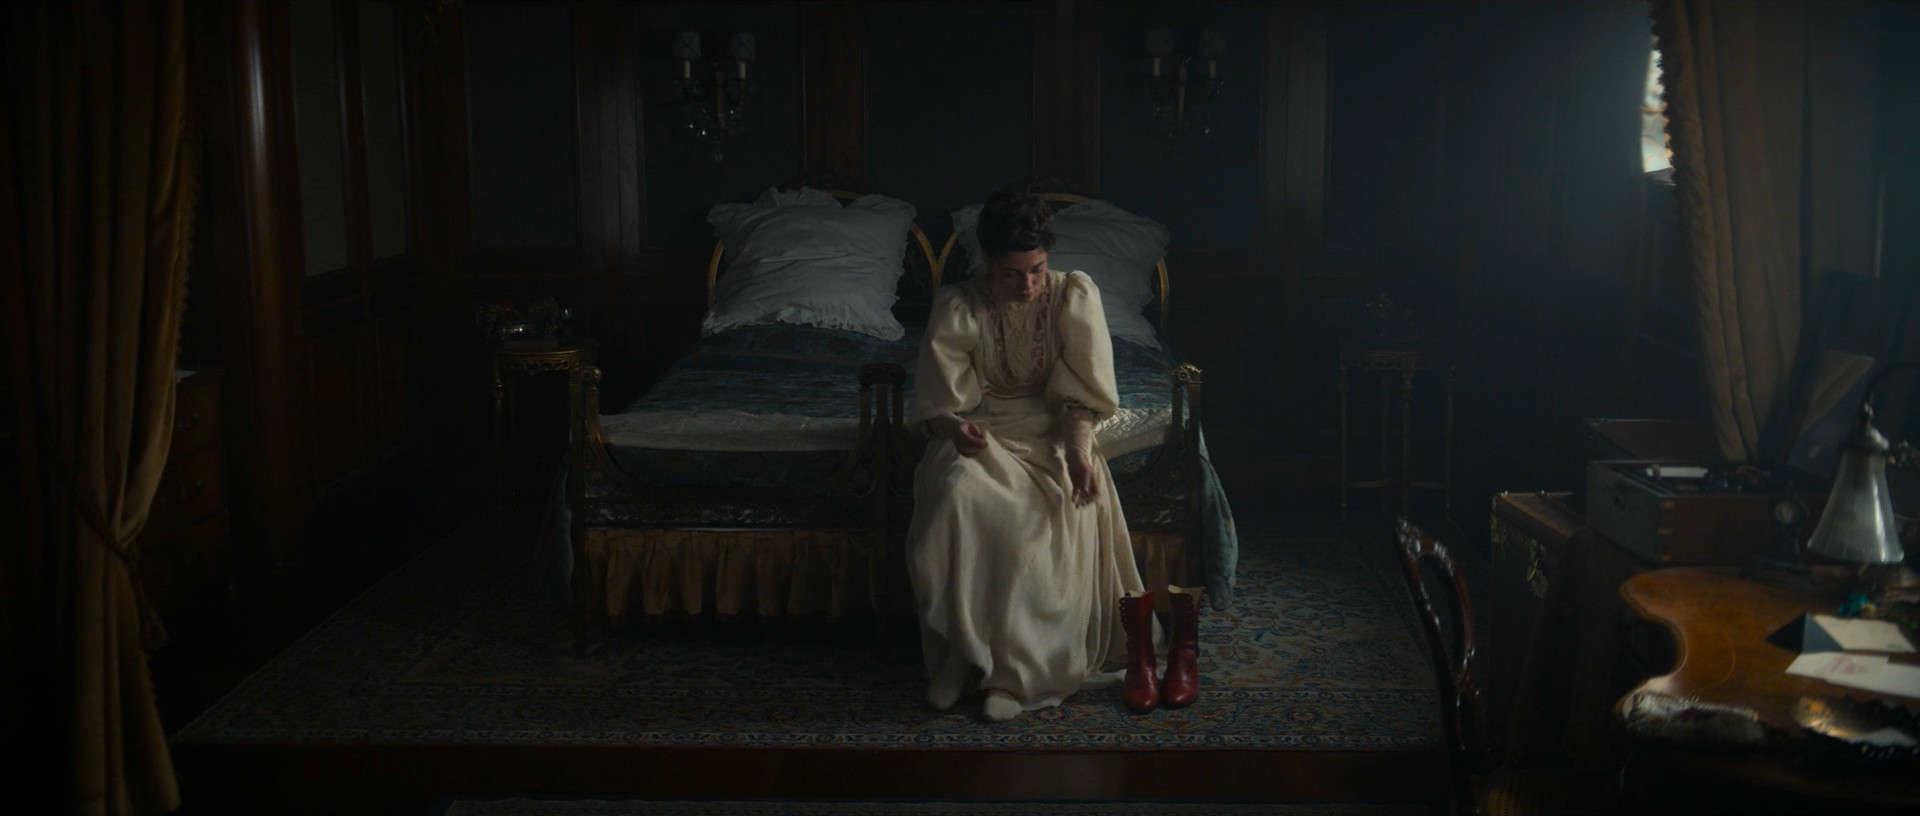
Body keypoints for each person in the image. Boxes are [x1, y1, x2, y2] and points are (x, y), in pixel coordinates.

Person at [905, 189, 1153, 721]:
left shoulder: (1072, 295)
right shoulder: (960, 304)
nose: (1028, 285)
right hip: (985, 428)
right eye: (1012, 274)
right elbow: (940, 404)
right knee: (957, 494)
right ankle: (964, 655)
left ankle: (1014, 675)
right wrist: (954, 429)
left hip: (1053, 429)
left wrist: (1079, 452)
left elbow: (1083, 397)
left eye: (1037, 270)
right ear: (988, 264)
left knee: (1044, 516)